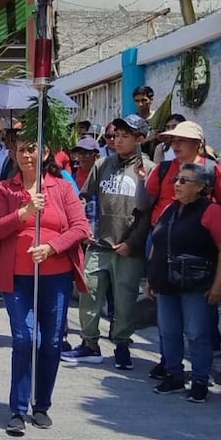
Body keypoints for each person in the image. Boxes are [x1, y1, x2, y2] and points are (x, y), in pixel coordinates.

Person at [0, 137, 90, 436]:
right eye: (21, 150)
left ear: (44, 152)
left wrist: (52, 247)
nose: (27, 155)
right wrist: (25, 212)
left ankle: (41, 404)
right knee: (25, 338)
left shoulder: (62, 187)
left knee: (52, 341)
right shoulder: (4, 189)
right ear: (14, 154)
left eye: (32, 149)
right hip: (17, 277)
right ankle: (17, 409)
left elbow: (80, 227)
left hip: (55, 276)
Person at [63, 115, 154, 370]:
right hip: (98, 244)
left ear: (139, 139)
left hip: (128, 250)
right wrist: (85, 227)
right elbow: (84, 198)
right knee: (88, 293)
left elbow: (149, 213)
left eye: (126, 136)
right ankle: (89, 343)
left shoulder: (148, 169)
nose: (119, 141)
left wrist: (133, 243)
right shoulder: (102, 164)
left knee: (125, 302)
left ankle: (122, 345)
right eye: (117, 135)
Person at [146, 162, 221, 403]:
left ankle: (199, 380)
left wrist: (218, 285)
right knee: (169, 332)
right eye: (176, 179)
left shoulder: (212, 211)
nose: (177, 184)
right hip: (166, 283)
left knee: (197, 334)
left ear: (201, 187)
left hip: (197, 285)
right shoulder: (169, 210)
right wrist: (152, 278)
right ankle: (174, 375)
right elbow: (157, 244)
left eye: (184, 181)